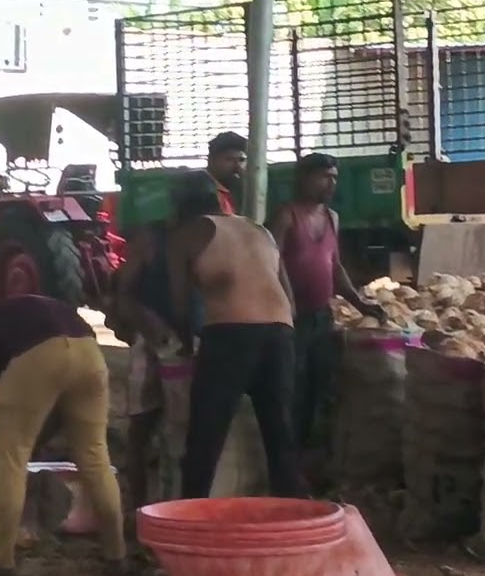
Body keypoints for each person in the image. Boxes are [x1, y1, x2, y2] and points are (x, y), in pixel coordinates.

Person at [0, 294, 125, 576]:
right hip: (89, 353)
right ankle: (116, 554)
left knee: (12, 459)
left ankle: (0, 560)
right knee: (95, 456)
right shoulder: (8, 319)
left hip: (38, 355)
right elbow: (56, 414)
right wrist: (35, 440)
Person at [166, 172, 308, 499]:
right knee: (280, 433)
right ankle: (293, 513)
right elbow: (289, 300)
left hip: (230, 336)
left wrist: (187, 346)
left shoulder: (187, 234)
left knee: (206, 434)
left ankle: (192, 512)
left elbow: (181, 305)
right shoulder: (258, 229)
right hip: (280, 333)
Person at [267, 153, 385, 450]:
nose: (330, 183)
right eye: (324, 177)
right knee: (292, 388)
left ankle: (310, 451)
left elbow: (335, 267)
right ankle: (287, 455)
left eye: (334, 177)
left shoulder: (332, 218)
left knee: (321, 385)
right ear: (303, 179)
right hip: (289, 318)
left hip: (322, 316)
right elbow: (270, 261)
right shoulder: (285, 215)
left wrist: (360, 304)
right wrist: (287, 301)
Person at [112, 219, 204, 513]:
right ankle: (143, 512)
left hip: (176, 340)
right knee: (151, 430)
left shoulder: (179, 237)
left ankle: (166, 510)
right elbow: (123, 294)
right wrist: (152, 327)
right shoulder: (154, 239)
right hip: (162, 340)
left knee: (172, 432)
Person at [206, 131, 248, 213]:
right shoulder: (202, 191)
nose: (238, 166)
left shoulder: (241, 191)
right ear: (211, 160)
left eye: (241, 160)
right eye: (230, 160)